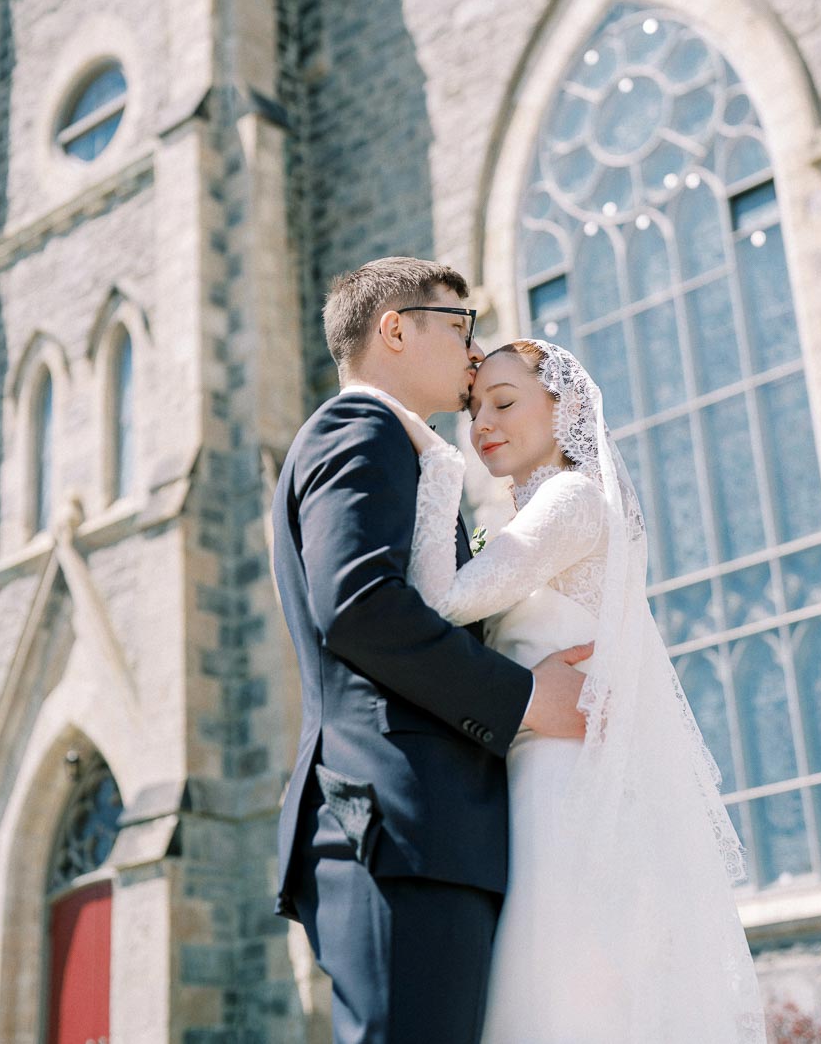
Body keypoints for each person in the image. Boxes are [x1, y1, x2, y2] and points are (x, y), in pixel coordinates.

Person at [373, 338, 767, 1044]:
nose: (482, 423)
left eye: (504, 402)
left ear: (569, 408)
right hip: (526, 772)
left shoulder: (572, 499)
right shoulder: (528, 520)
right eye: (471, 409)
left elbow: (445, 598)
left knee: (555, 990)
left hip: (560, 785)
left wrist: (437, 468)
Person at [271, 259, 596, 1044]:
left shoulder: (401, 450)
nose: (473, 354)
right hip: (397, 825)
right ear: (394, 330)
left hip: (428, 833)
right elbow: (359, 606)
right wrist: (524, 699)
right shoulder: (361, 427)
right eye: (460, 328)